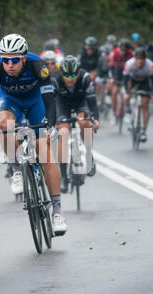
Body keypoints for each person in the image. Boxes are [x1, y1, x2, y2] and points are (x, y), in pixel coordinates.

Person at [0, 33, 68, 235]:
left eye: (14, 59)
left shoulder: (38, 66)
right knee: (4, 125)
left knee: (44, 151)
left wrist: (49, 125)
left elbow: (50, 101)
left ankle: (57, 211)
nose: (10, 64)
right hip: (10, 101)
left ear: (24, 58)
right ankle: (15, 169)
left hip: (36, 101)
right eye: (6, 59)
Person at [52, 56, 99, 193]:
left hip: (81, 103)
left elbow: (92, 101)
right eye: (66, 75)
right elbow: (51, 104)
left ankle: (89, 155)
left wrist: (95, 119)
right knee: (63, 132)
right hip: (62, 105)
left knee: (85, 122)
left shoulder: (85, 78)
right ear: (61, 73)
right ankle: (64, 178)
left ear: (79, 73)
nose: (70, 78)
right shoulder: (54, 80)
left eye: (73, 75)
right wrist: (53, 122)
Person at [123, 47, 153, 143]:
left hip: (144, 83)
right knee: (127, 95)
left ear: (145, 59)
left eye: (142, 60)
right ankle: (128, 112)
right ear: (135, 59)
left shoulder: (150, 66)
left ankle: (143, 131)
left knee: (145, 105)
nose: (140, 62)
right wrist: (127, 91)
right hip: (132, 81)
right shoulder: (129, 64)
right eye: (138, 60)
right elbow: (125, 79)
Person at [109, 38, 133, 123]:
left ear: (128, 50)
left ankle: (128, 110)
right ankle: (114, 113)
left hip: (127, 73)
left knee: (127, 92)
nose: (123, 52)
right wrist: (112, 77)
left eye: (125, 50)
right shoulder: (114, 53)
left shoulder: (131, 54)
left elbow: (133, 68)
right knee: (114, 92)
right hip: (117, 72)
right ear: (119, 48)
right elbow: (111, 66)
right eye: (121, 50)